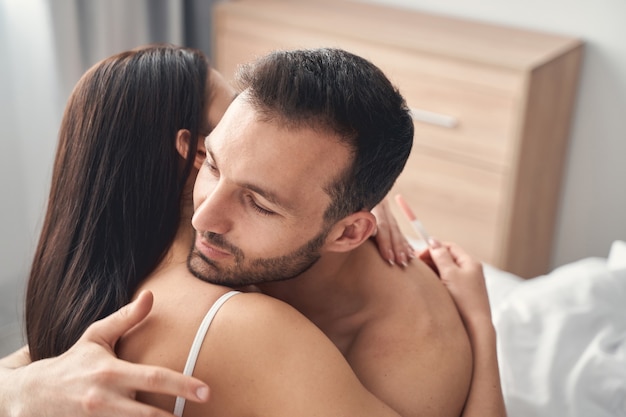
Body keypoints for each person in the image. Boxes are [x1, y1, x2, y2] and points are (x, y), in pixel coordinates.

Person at [5, 45, 506, 416]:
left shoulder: (100, 272)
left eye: (261, 201)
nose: (206, 219)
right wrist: (483, 330)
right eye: (218, 161)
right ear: (191, 150)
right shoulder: (244, 322)